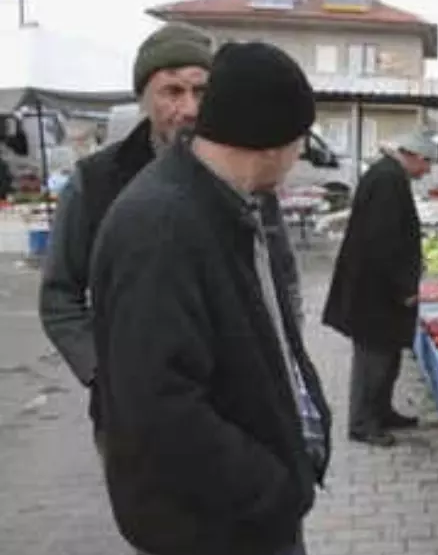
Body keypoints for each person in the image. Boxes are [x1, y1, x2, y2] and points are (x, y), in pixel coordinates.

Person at [89, 41, 329, 555]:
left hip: (259, 519)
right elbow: (161, 410)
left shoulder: (235, 203)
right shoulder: (162, 226)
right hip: (208, 540)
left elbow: (270, 338)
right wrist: (272, 485)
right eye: (299, 139)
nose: (299, 154)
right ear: (272, 142)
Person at [39, 25, 303, 449]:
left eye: (201, 91)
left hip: (239, 404)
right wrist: (105, 375)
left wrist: (282, 351)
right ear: (144, 98)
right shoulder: (98, 181)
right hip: (138, 417)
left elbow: (280, 273)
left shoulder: (246, 175)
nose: (188, 109)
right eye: (172, 91)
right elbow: (59, 297)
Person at [322, 132, 435, 448]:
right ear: (414, 155)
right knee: (374, 358)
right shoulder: (388, 179)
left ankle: (383, 412)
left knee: (388, 355)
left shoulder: (389, 174)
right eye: (427, 163)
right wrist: (403, 287)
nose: (427, 171)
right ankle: (362, 423)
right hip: (376, 290)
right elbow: (383, 240)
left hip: (379, 287)